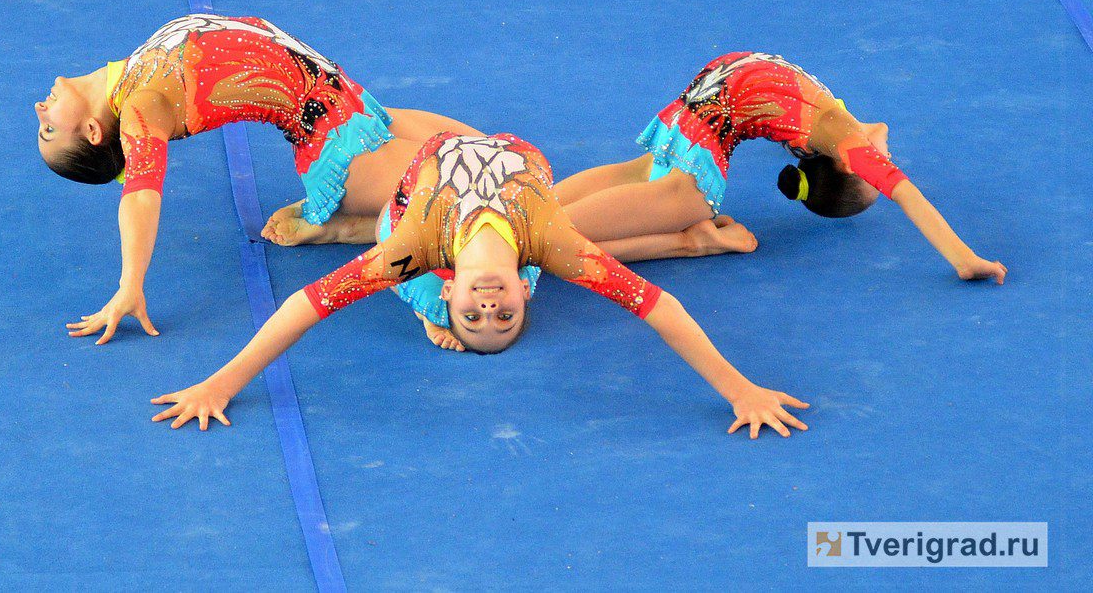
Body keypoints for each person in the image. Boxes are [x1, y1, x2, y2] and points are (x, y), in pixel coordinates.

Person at [151, 133, 811, 439]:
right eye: (504, 318)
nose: (489, 308)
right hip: (519, 190)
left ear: (453, 291)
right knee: (614, 222)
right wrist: (740, 388)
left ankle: (348, 232)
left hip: (410, 196)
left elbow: (305, 306)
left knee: (346, 161)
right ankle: (692, 238)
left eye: (475, 316)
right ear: (526, 289)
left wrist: (221, 383)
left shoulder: (411, 251)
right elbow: (658, 307)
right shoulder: (550, 244)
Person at [36, 13, 478, 344]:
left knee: (496, 153)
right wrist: (129, 284)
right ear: (92, 132)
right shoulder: (139, 109)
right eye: (49, 129)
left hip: (354, 105)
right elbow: (140, 196)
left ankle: (347, 220)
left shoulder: (133, 71)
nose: (41, 110)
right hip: (340, 145)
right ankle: (428, 292)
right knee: (473, 196)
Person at [553, 51, 1006, 281]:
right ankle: (691, 241)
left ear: (848, 168)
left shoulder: (843, 127)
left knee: (642, 173)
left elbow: (890, 154)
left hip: (711, 89)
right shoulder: (836, 135)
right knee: (554, 240)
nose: (882, 163)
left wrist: (964, 259)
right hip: (718, 108)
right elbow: (902, 185)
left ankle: (527, 206)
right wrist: (964, 258)